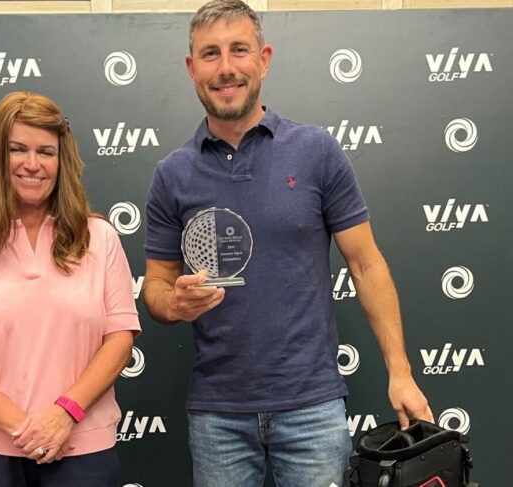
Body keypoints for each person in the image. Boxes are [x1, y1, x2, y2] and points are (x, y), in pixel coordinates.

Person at [142, 1, 433, 486]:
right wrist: (172, 303)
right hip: (217, 416)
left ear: (264, 59)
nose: (226, 67)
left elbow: (366, 265)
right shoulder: (172, 174)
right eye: (211, 54)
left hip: (313, 410)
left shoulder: (316, 150)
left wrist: (400, 372)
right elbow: (155, 285)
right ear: (192, 68)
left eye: (239, 50)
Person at [0, 91, 140, 487]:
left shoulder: (100, 238)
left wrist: (64, 413)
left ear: (62, 160)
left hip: (82, 449)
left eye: (46, 152)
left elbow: (119, 341)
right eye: (18, 149)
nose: (33, 164)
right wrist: (24, 427)